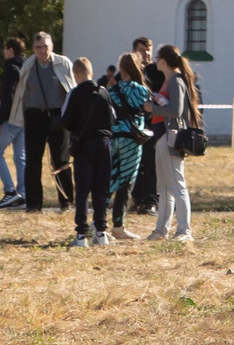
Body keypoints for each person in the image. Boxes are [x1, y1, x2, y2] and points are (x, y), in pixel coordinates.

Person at [17, 32, 77, 213]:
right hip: (35, 116)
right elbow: (23, 94)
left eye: (46, 47)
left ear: (52, 47)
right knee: (33, 161)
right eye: (39, 47)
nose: (43, 50)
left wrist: (72, 117)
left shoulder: (63, 63)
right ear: (33, 49)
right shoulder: (28, 65)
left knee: (61, 160)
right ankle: (34, 204)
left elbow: (71, 90)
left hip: (58, 116)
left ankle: (66, 201)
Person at [61, 55, 114, 248]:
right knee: (101, 188)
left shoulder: (74, 94)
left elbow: (65, 121)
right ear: (90, 72)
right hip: (104, 143)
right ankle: (101, 232)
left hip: (84, 145)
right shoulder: (103, 92)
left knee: (82, 190)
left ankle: (81, 234)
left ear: (76, 74)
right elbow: (112, 119)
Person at [149, 44, 199, 241]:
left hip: (171, 138)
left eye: (157, 57)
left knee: (177, 185)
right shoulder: (169, 81)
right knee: (164, 187)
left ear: (163, 61)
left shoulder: (175, 81)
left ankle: (184, 231)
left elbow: (176, 111)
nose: (154, 60)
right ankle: (162, 229)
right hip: (163, 137)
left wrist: (151, 108)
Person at [105, 53, 155, 241]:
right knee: (126, 182)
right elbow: (148, 111)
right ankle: (118, 226)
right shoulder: (141, 90)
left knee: (110, 180)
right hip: (132, 140)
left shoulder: (113, 91)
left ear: (121, 68)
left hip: (114, 138)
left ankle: (99, 222)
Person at [129, 36, 163, 220]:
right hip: (134, 126)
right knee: (136, 163)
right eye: (143, 50)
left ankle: (151, 201)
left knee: (151, 164)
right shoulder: (129, 72)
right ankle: (137, 199)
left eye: (149, 50)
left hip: (152, 125)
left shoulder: (157, 72)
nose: (147, 54)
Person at [0, 37, 26, 208]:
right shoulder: (26, 67)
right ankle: (24, 192)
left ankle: (9, 191)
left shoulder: (10, 67)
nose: (3, 52)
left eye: (5, 48)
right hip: (23, 118)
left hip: (10, 118)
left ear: (11, 50)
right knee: (20, 157)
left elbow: (7, 96)